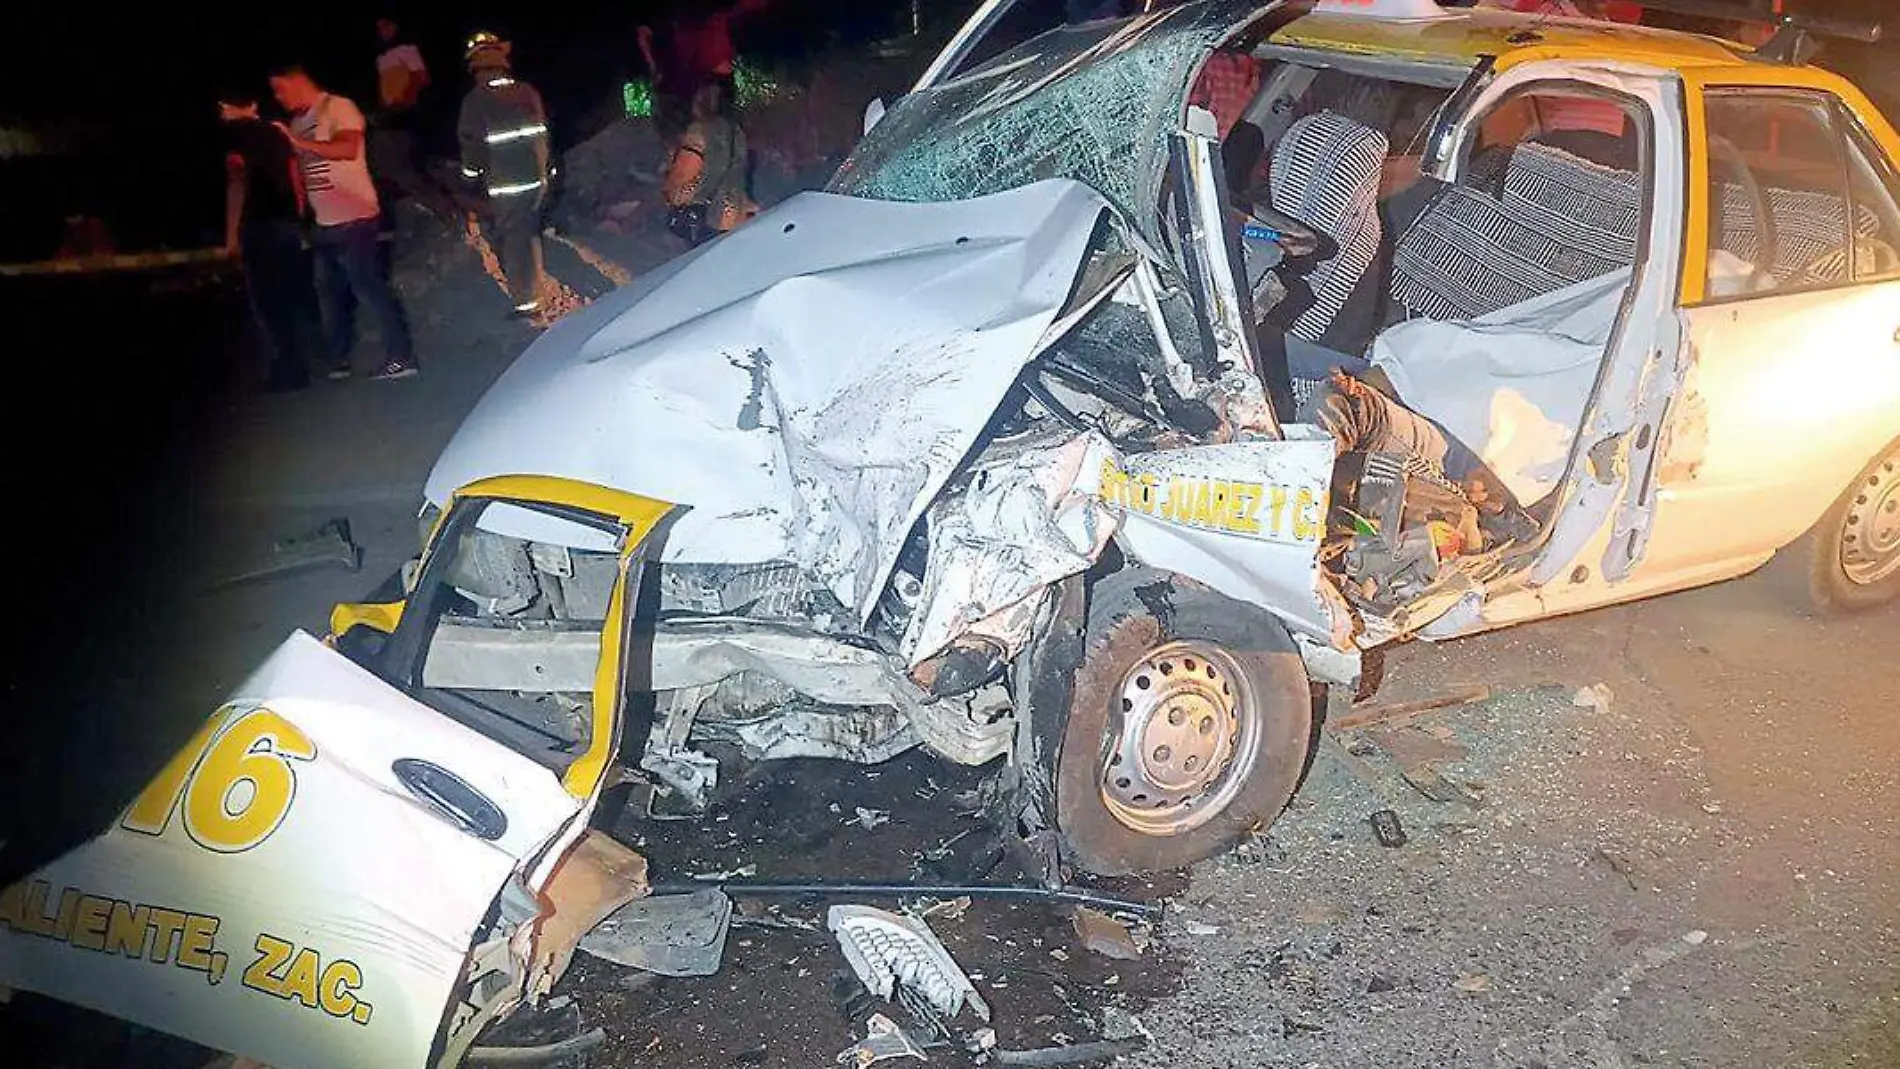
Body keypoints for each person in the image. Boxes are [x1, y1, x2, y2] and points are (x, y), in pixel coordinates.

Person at [271, 63, 418, 381]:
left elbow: (348, 148)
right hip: (324, 222)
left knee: (369, 287)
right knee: (329, 291)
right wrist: (301, 214)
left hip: (356, 216)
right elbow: (301, 170)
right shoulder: (298, 121)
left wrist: (299, 144)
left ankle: (401, 357)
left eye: (279, 89)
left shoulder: (337, 107)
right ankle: (338, 360)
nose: (278, 98)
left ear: (297, 81)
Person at [220, 86, 325, 392]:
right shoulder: (277, 132)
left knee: (268, 303)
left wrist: (231, 234)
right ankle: (325, 358)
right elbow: (295, 174)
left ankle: (289, 370)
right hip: (286, 221)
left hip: (258, 222)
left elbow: (237, 179)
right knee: (298, 292)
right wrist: (300, 211)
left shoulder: (234, 134)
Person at [457, 32, 552, 317]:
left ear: (475, 66)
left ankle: (528, 303)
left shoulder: (476, 101)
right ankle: (535, 288)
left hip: (506, 185)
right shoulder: (526, 92)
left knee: (514, 240)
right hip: (537, 180)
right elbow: (542, 136)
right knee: (527, 233)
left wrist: (469, 180)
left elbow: (471, 148)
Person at [638, 0, 770, 145]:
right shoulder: (689, 30)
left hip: (704, 78)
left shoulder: (709, 25)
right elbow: (644, 33)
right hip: (694, 79)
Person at [370, 16, 456, 223]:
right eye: (379, 27)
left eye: (386, 26)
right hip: (391, 114)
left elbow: (420, 78)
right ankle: (434, 206)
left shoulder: (406, 50)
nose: (383, 31)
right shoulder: (381, 58)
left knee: (409, 162)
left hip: (407, 113)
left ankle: (445, 207)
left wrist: (405, 100)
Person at [661, 80, 757, 246]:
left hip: (710, 228)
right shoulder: (737, 131)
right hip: (738, 217)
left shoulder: (697, 133)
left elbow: (679, 186)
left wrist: (669, 191)